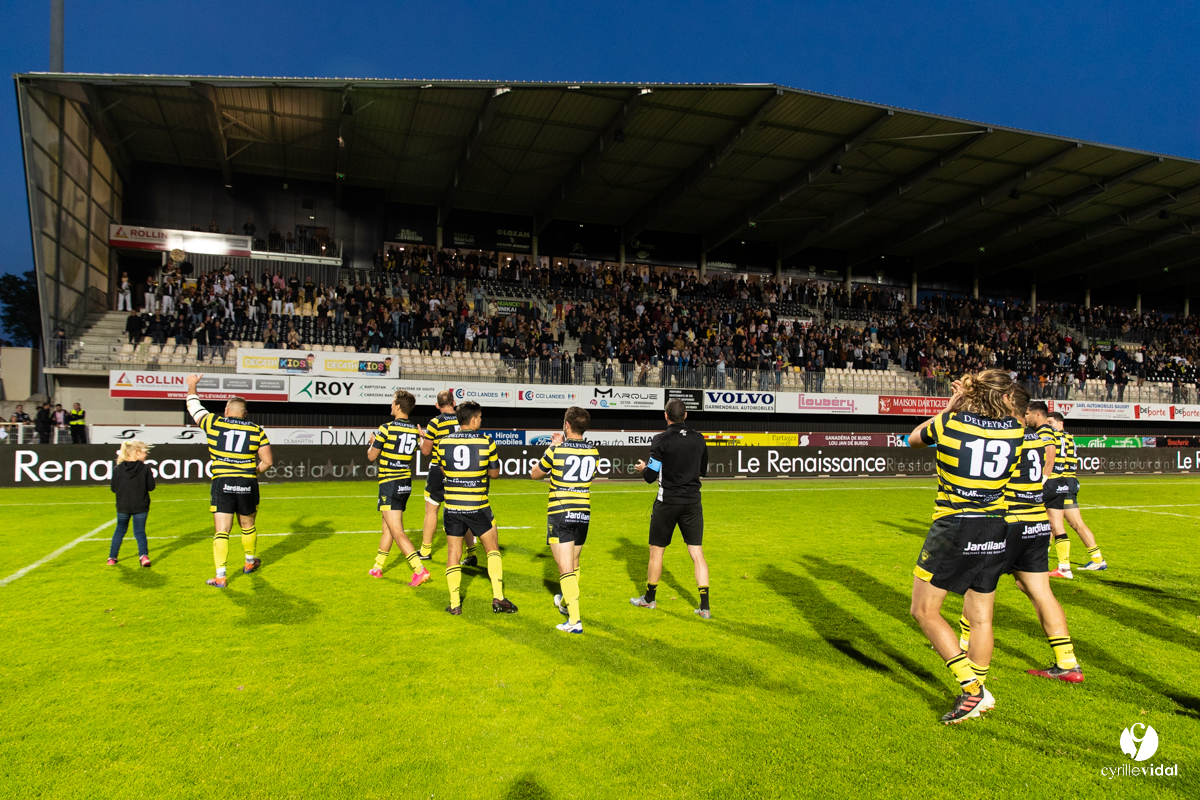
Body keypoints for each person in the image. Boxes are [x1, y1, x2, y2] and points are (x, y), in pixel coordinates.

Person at [906, 369, 1023, 724]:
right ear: (1005, 398)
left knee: (923, 611)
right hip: (996, 524)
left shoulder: (950, 423)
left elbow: (913, 439)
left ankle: (971, 691)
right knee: (980, 616)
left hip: (956, 524)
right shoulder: (1018, 430)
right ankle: (981, 689)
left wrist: (951, 406)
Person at [959, 395, 1083, 684]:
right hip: (1037, 522)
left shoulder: (1003, 434)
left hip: (1007, 522)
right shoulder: (1037, 437)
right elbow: (1046, 466)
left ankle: (970, 667)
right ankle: (1068, 662)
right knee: (1040, 591)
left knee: (974, 589)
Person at [185, 374, 274, 588]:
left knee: (222, 530)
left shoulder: (213, 422)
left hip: (222, 482)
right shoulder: (256, 430)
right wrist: (254, 472)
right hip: (247, 483)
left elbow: (193, 406)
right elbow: (268, 462)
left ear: (226, 410)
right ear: (245, 414)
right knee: (248, 525)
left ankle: (221, 576)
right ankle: (250, 562)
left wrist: (192, 385)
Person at [631, 398, 712, 619]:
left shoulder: (661, 440)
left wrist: (642, 468)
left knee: (657, 551)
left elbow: (649, 476)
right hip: (693, 502)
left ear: (666, 416)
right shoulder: (698, 438)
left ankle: (649, 599)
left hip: (667, 503)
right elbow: (703, 470)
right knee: (697, 553)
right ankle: (704, 607)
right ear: (686, 416)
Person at [437, 401, 517, 615]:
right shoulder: (486, 441)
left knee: (453, 552)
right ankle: (498, 598)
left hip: (452, 505)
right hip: (478, 505)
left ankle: (454, 604)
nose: (481, 420)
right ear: (473, 419)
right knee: (492, 550)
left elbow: (443, 470)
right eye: (480, 417)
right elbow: (494, 473)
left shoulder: (443, 442)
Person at [530, 406, 598, 634]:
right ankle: (566, 604)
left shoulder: (556, 451)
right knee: (574, 563)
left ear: (567, 425)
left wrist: (553, 446)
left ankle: (575, 621)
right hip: (583, 513)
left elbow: (535, 474)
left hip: (561, 513)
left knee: (564, 567)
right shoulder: (593, 452)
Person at [366, 389, 432, 587]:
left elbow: (371, 456)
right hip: (404, 481)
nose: (391, 405)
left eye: (392, 402)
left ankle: (419, 569)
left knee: (396, 529)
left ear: (397, 406)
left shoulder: (385, 428)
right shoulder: (413, 429)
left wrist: (371, 443)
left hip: (390, 482)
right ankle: (377, 567)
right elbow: (421, 449)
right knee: (387, 527)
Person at [1045, 412, 1107, 576]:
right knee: (1070, 523)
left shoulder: (1054, 438)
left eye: (1051, 422)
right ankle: (1097, 559)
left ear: (1060, 424)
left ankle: (1055, 563)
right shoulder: (1069, 438)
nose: (1048, 425)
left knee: (1054, 521)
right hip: (1070, 481)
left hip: (1060, 481)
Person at [419, 390, 475, 563]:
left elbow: (426, 451)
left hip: (439, 468)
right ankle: (471, 553)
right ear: (454, 402)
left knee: (431, 510)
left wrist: (423, 439)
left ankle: (425, 550)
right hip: (461, 470)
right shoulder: (463, 419)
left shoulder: (435, 421)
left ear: (437, 405)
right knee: (463, 511)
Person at [107, 440, 156, 568]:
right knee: (140, 531)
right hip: (141, 505)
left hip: (123, 506)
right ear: (136, 452)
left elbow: (113, 488)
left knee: (120, 530)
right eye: (144, 452)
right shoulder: (145, 468)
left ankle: (112, 557)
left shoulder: (118, 469)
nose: (146, 455)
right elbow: (151, 487)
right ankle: (144, 556)